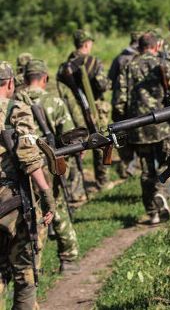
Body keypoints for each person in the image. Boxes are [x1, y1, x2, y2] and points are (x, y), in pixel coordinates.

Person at [17, 59, 81, 274]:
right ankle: (69, 258)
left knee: (27, 213)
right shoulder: (54, 102)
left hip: (21, 167)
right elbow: (71, 136)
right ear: (44, 78)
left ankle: (33, 264)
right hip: (50, 166)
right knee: (56, 208)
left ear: (25, 79)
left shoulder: (14, 103)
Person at [0, 61, 55, 310]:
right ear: (11, 83)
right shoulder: (16, 108)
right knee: (25, 273)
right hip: (12, 202)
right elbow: (29, 158)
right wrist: (47, 194)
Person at [114, 31, 170, 225]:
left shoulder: (128, 66)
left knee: (146, 170)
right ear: (156, 46)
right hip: (165, 124)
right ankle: (161, 192)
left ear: (139, 46)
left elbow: (119, 101)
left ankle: (152, 212)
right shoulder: (164, 64)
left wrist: (122, 126)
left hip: (138, 126)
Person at [57, 29, 110, 191]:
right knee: (101, 142)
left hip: (73, 112)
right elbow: (102, 84)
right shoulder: (93, 62)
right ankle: (102, 181)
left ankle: (76, 186)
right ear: (87, 44)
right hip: (94, 109)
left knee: (76, 146)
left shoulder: (65, 65)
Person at [109, 31, 141, 179]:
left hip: (119, 101)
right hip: (136, 102)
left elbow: (110, 81)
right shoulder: (140, 59)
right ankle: (133, 164)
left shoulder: (119, 58)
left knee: (122, 134)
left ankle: (128, 163)